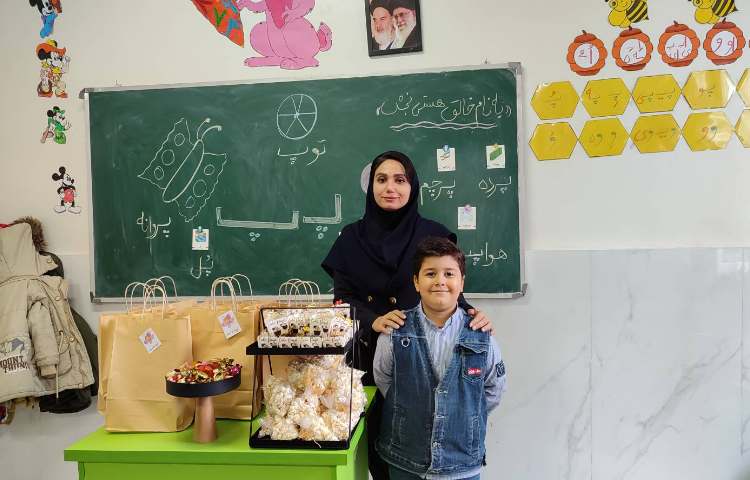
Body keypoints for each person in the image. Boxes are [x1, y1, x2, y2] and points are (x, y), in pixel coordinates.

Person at [322, 150, 493, 480]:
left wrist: (474, 316)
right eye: (381, 179)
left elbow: (451, 292)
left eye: (400, 180)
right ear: (371, 186)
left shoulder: (434, 234)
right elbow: (342, 300)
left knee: (434, 441)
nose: (390, 188)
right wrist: (373, 320)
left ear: (412, 187)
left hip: (428, 358)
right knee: (381, 455)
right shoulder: (351, 238)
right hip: (368, 359)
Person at [373, 236, 506, 480]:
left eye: (449, 274)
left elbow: (493, 390)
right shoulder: (395, 331)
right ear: (416, 282)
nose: (440, 281)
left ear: (462, 282)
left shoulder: (481, 334)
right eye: (430, 274)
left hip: (462, 463)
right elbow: (384, 379)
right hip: (406, 460)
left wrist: (464, 414)